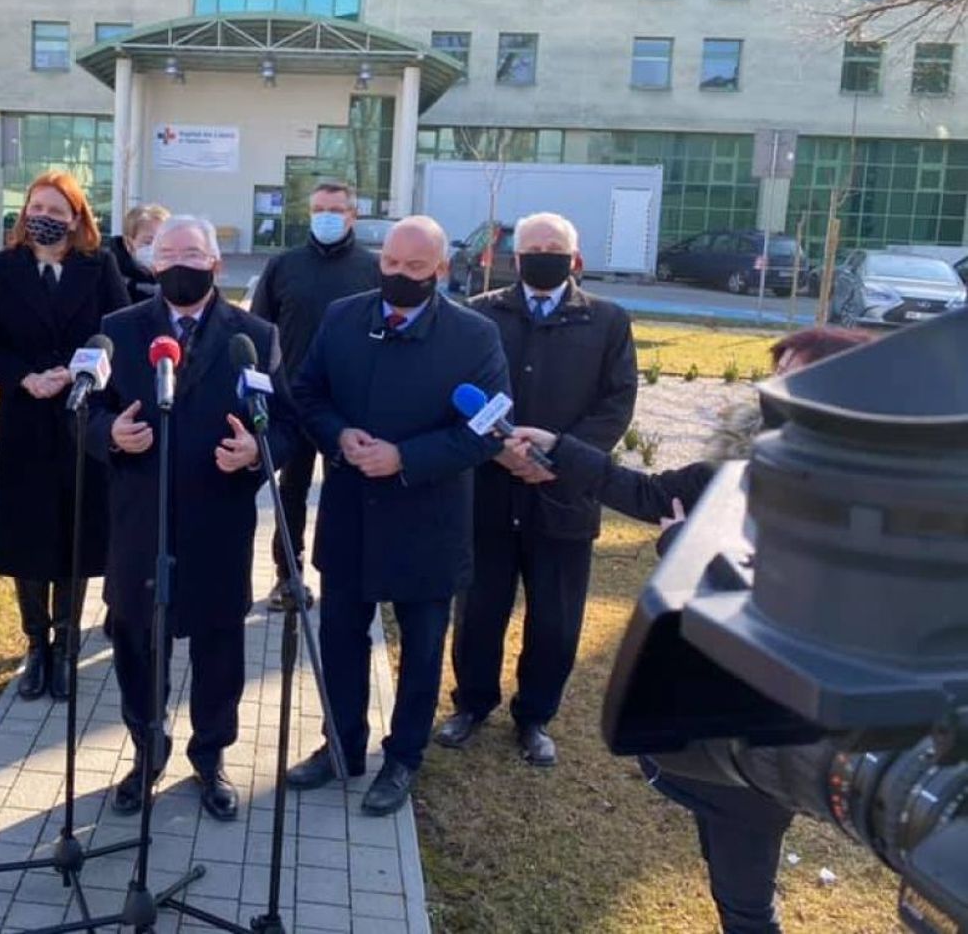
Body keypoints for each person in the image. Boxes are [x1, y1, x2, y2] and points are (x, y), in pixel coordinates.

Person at [503, 324, 873, 934]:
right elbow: (651, 492)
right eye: (777, 377)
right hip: (714, 722)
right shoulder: (746, 469)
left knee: (746, 892)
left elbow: (790, 608)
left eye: (798, 379)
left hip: (769, 729)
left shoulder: (857, 501)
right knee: (727, 866)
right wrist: (562, 450)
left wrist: (683, 546)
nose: (777, 392)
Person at [287, 216, 510, 816]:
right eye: (391, 263)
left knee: (422, 649)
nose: (400, 276)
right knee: (340, 638)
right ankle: (341, 743)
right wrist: (339, 436)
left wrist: (405, 458)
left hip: (428, 522)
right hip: (351, 514)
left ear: (441, 269)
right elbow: (307, 393)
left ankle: (404, 756)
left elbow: (486, 430)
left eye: (416, 267)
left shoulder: (475, 335)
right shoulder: (343, 317)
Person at [87, 215, 297, 822]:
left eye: (193, 254)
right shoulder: (118, 330)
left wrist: (257, 451)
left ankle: (211, 756)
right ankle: (146, 751)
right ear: (153, 264)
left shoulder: (253, 335)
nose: (181, 264)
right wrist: (109, 433)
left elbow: (285, 425)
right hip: (139, 522)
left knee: (219, 648)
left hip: (218, 523)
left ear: (216, 263)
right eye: (169, 253)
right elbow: (87, 414)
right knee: (136, 643)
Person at [437, 211, 638, 768]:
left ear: (575, 259)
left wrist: (560, 460)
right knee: (479, 610)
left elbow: (617, 402)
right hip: (490, 491)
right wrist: (497, 450)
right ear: (514, 257)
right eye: (532, 248)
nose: (542, 256)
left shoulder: (607, 320)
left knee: (556, 617)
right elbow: (455, 391)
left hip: (564, 495)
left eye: (554, 248)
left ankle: (534, 716)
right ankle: (471, 704)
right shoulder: (480, 314)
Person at [0, 172, 128, 701]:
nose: (45, 217)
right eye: (37, 207)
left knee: (75, 532)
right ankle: (36, 643)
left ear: (77, 218)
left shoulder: (99, 265)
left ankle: (67, 647)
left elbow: (117, 330)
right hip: (25, 418)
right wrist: (25, 377)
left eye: (57, 210)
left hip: (82, 414)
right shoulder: (3, 267)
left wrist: (79, 372)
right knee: (29, 533)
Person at [249, 180, 381, 611]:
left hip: (350, 403)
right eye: (319, 209)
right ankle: (288, 575)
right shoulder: (284, 265)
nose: (327, 217)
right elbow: (259, 329)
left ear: (353, 215)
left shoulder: (372, 268)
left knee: (347, 490)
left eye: (336, 210)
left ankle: (344, 575)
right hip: (293, 399)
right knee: (291, 489)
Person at [110, 202, 171, 305]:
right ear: (129, 243)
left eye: (163, 241)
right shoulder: (113, 276)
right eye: (148, 242)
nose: (156, 248)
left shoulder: (174, 276)